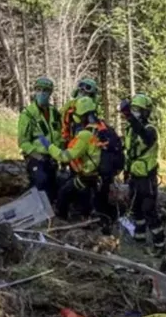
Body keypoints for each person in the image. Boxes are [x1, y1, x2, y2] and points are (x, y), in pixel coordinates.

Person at [44, 96, 120, 232]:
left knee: (64, 192)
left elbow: (65, 156)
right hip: (102, 177)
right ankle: (96, 219)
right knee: (93, 201)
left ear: (82, 116)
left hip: (88, 176)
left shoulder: (85, 135)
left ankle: (61, 223)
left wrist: (49, 146)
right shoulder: (103, 129)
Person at [120, 93, 166, 256]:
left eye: (138, 110)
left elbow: (145, 138)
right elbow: (129, 153)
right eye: (133, 109)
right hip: (134, 176)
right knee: (136, 210)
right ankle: (139, 241)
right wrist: (125, 174)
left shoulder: (150, 130)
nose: (135, 113)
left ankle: (159, 245)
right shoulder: (129, 130)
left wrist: (128, 116)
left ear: (146, 112)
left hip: (147, 179)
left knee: (149, 211)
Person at [17, 76, 62, 204]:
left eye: (46, 90)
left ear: (50, 93)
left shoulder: (54, 112)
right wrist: (36, 155)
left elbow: (59, 135)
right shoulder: (28, 114)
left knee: (53, 190)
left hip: (53, 157)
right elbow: (23, 141)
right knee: (40, 183)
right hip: (37, 158)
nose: (42, 93)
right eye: (39, 89)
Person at [61, 77, 102, 145]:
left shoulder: (94, 106)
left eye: (87, 88)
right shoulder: (71, 103)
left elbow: (95, 124)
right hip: (70, 138)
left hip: (84, 138)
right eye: (81, 86)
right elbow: (61, 114)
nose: (82, 90)